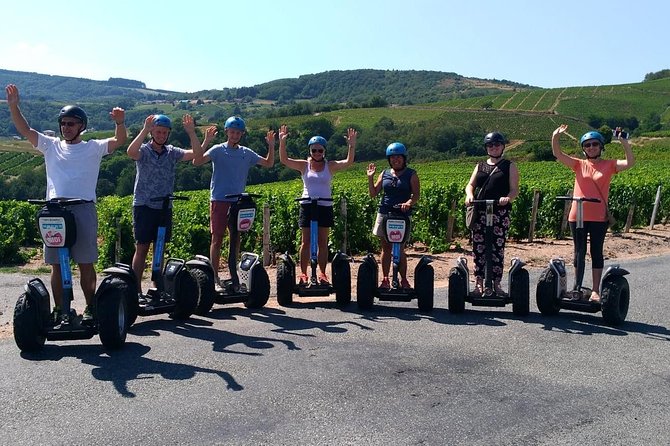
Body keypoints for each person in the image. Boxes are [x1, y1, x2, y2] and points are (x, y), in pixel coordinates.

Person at [5, 83, 127, 322]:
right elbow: (25, 130)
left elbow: (119, 140)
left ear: (82, 126)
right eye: (63, 123)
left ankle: (91, 307)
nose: (66, 127)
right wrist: (13, 107)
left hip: (82, 208)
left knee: (85, 263)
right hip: (54, 211)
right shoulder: (51, 145)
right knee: (56, 266)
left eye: (71, 123)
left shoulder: (93, 147)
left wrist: (120, 122)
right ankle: (61, 310)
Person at [552, 124, 634, 302]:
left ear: (601, 147)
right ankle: (577, 288)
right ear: (583, 149)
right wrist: (555, 136)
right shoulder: (578, 164)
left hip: (598, 216)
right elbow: (558, 154)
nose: (591, 148)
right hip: (577, 215)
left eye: (594, 144)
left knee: (596, 251)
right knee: (578, 252)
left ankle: (596, 290)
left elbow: (629, 163)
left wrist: (624, 142)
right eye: (587, 145)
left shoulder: (609, 165)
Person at [193, 116, 275, 291]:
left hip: (239, 202)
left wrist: (271, 146)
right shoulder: (217, 150)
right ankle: (214, 277)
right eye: (232, 132)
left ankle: (233, 275)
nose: (235, 135)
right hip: (219, 199)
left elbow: (268, 163)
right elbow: (197, 161)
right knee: (217, 238)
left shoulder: (247, 153)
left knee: (236, 238)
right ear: (226, 132)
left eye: (238, 132)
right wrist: (206, 140)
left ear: (242, 134)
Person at [126, 114, 203, 297]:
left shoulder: (172, 152)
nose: (161, 135)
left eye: (164, 132)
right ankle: (135, 289)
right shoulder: (144, 151)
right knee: (142, 246)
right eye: (158, 131)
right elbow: (130, 152)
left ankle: (157, 285)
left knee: (159, 247)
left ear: (168, 133)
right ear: (153, 132)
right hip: (144, 205)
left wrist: (192, 132)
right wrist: (144, 129)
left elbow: (197, 155)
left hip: (164, 206)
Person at [278, 125, 357, 284]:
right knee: (305, 241)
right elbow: (284, 160)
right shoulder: (303, 165)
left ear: (324, 151)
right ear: (310, 151)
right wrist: (282, 142)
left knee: (322, 241)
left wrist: (351, 145)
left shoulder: (330, 166)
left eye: (320, 150)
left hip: (324, 205)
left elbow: (348, 162)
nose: (317, 153)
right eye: (314, 150)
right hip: (307, 204)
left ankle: (322, 273)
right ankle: (303, 273)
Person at [465, 131, 520, 296]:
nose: (494, 148)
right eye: (490, 145)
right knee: (479, 248)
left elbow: (514, 190)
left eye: (497, 145)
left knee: (497, 248)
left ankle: (496, 284)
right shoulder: (480, 166)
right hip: (481, 211)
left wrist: (507, 198)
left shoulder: (509, 165)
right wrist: (469, 195)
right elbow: (470, 185)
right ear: (486, 147)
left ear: (503, 146)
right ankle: (479, 284)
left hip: (499, 213)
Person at [366, 142, 420, 289]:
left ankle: (403, 280)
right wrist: (370, 178)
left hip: (402, 214)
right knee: (386, 248)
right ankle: (385, 279)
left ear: (403, 158)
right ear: (389, 159)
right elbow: (373, 193)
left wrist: (409, 202)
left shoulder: (411, 174)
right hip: (385, 213)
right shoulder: (384, 174)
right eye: (392, 158)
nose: (396, 160)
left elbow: (416, 194)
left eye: (398, 157)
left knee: (400, 248)